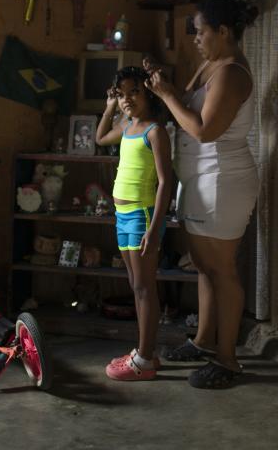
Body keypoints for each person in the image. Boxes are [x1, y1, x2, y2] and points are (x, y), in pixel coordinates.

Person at [145, 0, 259, 389]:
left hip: (222, 180)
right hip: (199, 179)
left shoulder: (232, 73)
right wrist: (162, 85)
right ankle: (203, 340)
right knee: (204, 266)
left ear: (223, 32)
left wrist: (167, 95)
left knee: (222, 270)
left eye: (201, 30)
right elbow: (186, 109)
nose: (194, 37)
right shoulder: (212, 64)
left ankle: (229, 361)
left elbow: (204, 129)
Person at [96, 66, 172, 380]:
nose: (127, 100)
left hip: (142, 216)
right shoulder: (127, 125)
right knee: (135, 286)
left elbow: (167, 182)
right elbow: (101, 137)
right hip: (122, 216)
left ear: (148, 93)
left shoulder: (154, 131)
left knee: (144, 287)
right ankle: (146, 354)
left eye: (134, 92)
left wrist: (154, 230)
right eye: (122, 94)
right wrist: (110, 108)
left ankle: (143, 360)